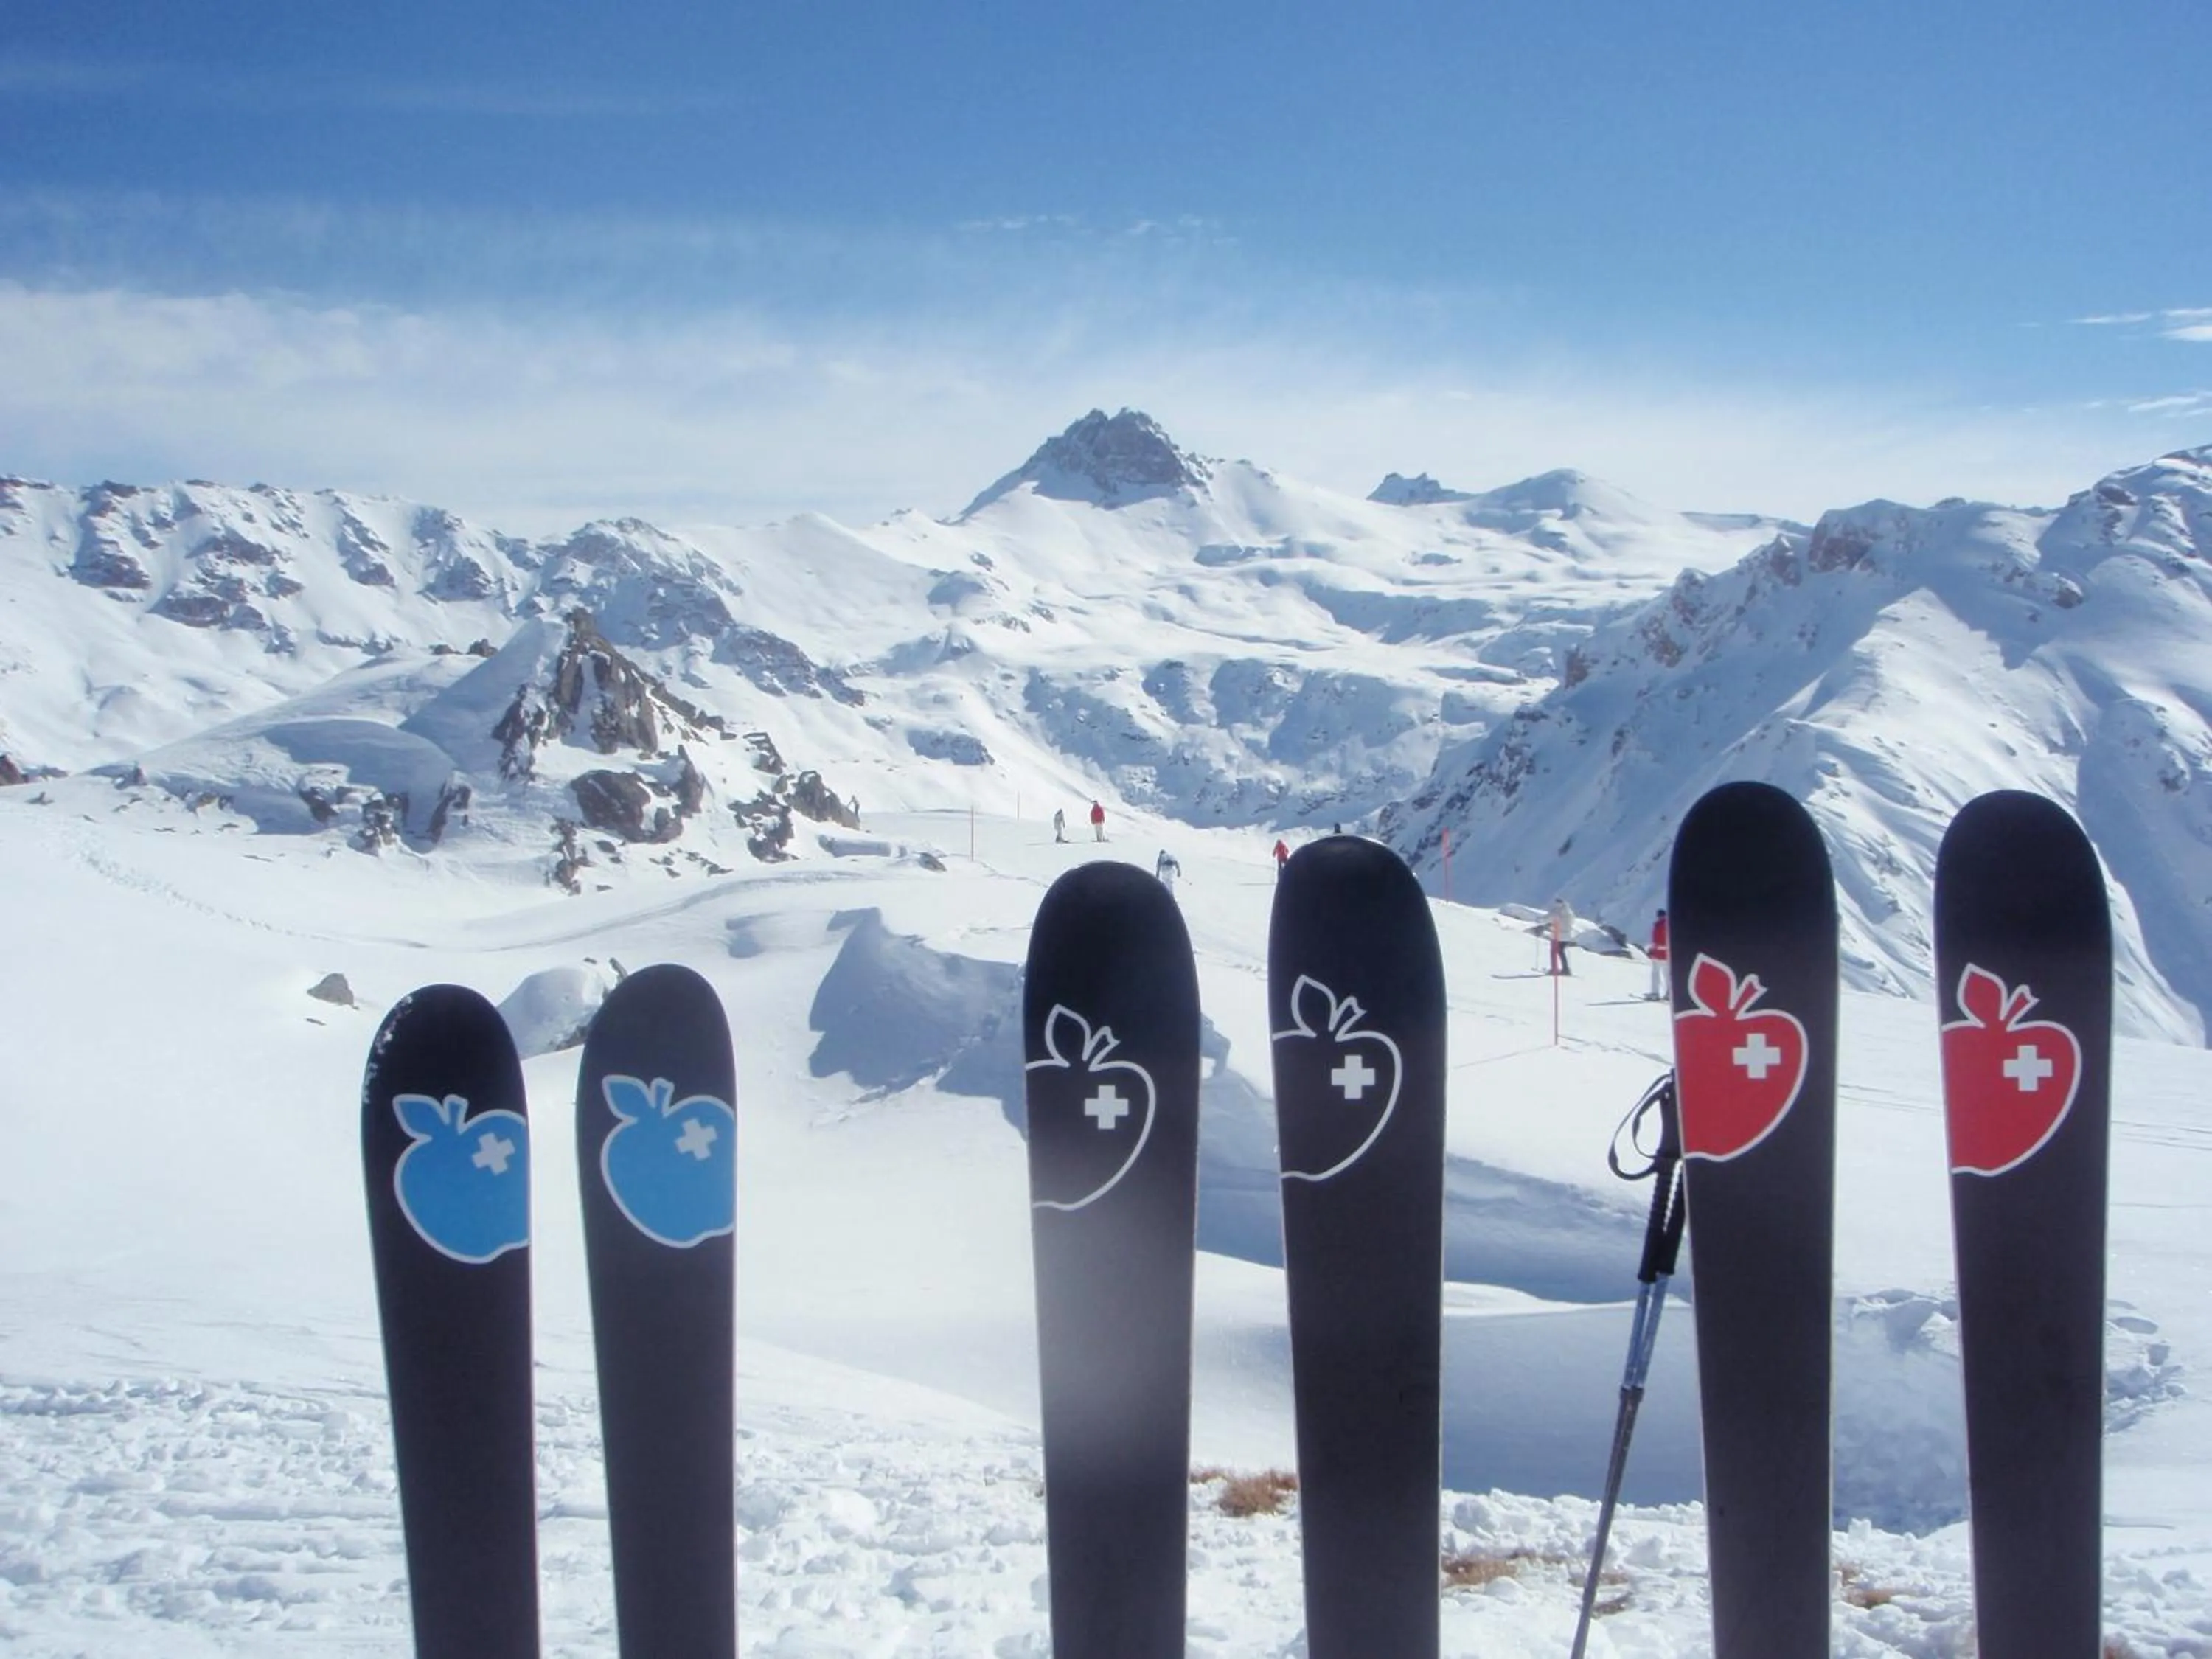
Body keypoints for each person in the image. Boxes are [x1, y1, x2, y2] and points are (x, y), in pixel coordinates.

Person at [1548, 896, 1576, 977]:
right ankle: (1565, 969)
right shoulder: (1570, 912)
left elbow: (1549, 918)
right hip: (1567, 935)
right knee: (1561, 952)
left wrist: (1539, 920)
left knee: (1554, 951)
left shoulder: (1557, 911)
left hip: (1558, 934)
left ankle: (1554, 969)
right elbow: (1572, 922)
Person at [1647, 907, 1670, 1001]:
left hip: (1657, 954)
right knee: (1667, 975)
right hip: (1667, 954)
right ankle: (1669, 994)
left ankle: (1655, 993)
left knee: (1655, 974)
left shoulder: (1657, 926)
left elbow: (1656, 941)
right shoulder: (1670, 925)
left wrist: (1651, 950)